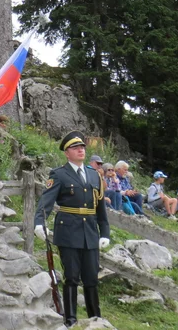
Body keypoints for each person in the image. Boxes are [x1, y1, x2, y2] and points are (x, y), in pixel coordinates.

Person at [35, 131, 110, 327]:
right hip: (68, 231)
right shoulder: (59, 174)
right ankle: (70, 321)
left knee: (91, 277)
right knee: (71, 277)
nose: (81, 150)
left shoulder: (94, 175)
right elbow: (46, 202)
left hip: (90, 233)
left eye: (82, 148)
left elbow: (100, 208)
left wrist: (105, 233)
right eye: (76, 148)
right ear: (67, 153)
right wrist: (39, 222)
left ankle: (95, 319)